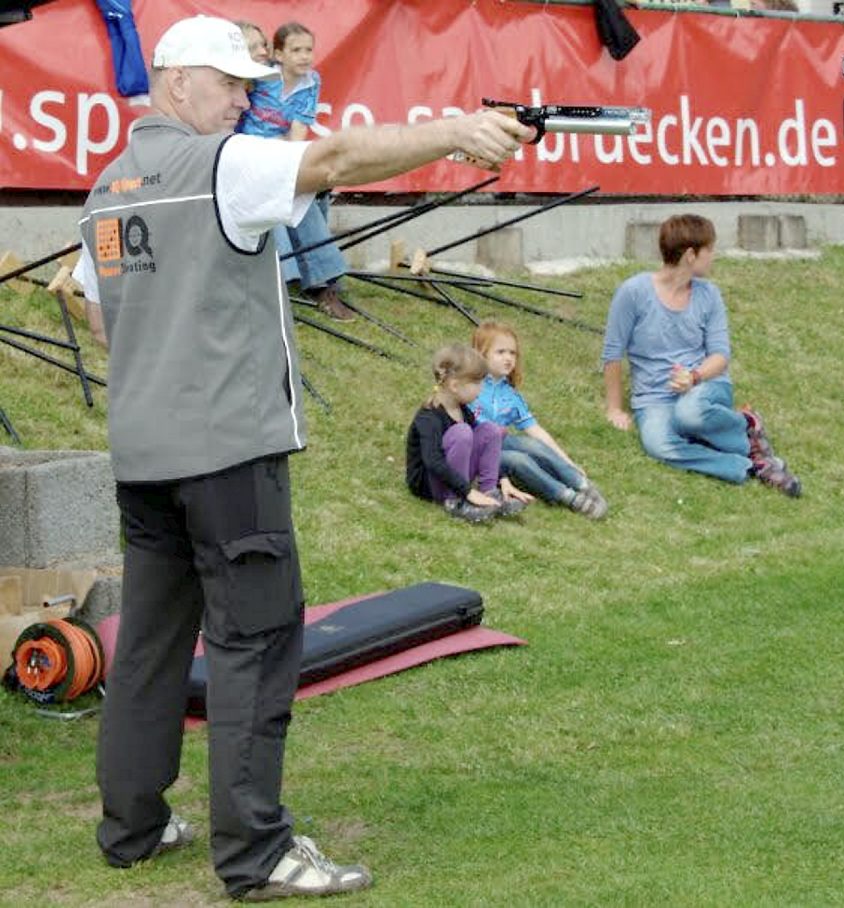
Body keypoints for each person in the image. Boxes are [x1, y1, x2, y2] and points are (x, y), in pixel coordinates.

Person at [72, 14, 532, 900]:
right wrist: (456, 132)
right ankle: (256, 852)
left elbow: (103, 323)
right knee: (254, 644)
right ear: (177, 82)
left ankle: (131, 826)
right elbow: (338, 159)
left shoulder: (104, 191)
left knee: (151, 648)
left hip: (144, 457)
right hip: (228, 455)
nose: (245, 101)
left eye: (250, 87)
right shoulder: (225, 164)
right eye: (230, 84)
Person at [602, 214, 800, 497]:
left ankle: (746, 424)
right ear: (690, 255)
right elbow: (612, 353)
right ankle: (748, 463)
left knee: (689, 413)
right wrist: (614, 408)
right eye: (710, 249)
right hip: (654, 398)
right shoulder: (633, 292)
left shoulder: (709, 295)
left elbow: (720, 355)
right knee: (658, 444)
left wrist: (694, 377)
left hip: (706, 385)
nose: (714, 256)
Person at [238, 20, 356, 322]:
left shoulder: (306, 81)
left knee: (300, 191)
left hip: (276, 154)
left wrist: (292, 166)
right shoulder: (240, 80)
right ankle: (289, 280)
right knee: (273, 196)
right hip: (242, 159)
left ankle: (322, 282)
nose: (261, 52)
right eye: (253, 47)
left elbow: (298, 130)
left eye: (262, 45)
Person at [469, 320, 608, 518]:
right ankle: (568, 497)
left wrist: (567, 461)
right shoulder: (470, 387)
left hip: (500, 444)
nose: (508, 358)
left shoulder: (511, 395)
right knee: (519, 460)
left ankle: (581, 484)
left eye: (512, 353)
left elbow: (535, 430)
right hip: (477, 452)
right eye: (500, 352)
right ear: (481, 354)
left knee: (530, 444)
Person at [406, 344, 529, 522]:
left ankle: (489, 493)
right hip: (430, 485)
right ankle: (456, 502)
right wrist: (467, 491)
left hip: (455, 481)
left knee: (490, 430)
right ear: (455, 385)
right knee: (462, 432)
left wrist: (503, 479)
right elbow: (433, 461)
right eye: (477, 383)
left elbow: (484, 444)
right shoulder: (428, 417)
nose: (481, 388)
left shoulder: (463, 410)